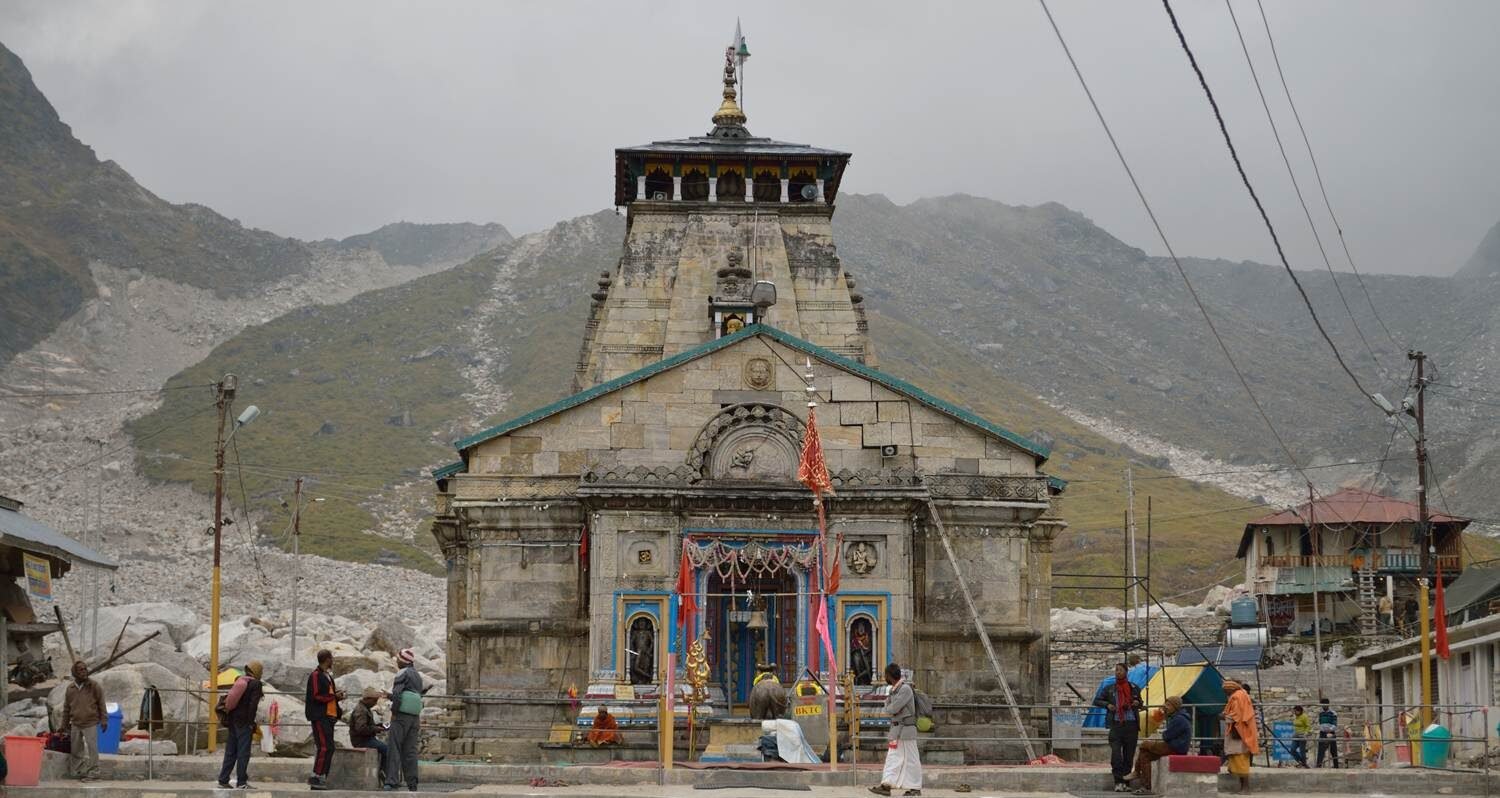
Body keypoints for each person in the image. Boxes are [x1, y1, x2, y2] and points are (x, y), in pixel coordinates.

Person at [870, 662, 921, 797]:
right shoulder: (894, 690)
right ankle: (886, 785)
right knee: (893, 758)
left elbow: (892, 708)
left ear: (890, 676)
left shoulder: (905, 689)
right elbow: (889, 707)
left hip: (906, 731)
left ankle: (915, 787)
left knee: (911, 759)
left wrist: (889, 707)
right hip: (896, 730)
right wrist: (889, 707)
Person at [1093, 662, 1143, 792]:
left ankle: (1126, 782)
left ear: (1126, 672)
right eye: (1116, 670)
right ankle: (1118, 781)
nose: (1118, 672)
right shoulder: (1110, 688)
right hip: (1116, 725)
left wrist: (1137, 703)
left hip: (1131, 725)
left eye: (1120, 670)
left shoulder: (1134, 688)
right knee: (1116, 754)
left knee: (1129, 755)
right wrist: (1107, 705)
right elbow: (1096, 700)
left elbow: (1141, 703)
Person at [1127, 695, 1192, 795]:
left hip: (1176, 747)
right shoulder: (1176, 717)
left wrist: (1165, 733)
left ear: (1175, 706)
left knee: (1144, 744)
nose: (1165, 707)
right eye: (1165, 704)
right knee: (1145, 755)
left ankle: (1137, 772)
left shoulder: (1179, 719)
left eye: (1168, 705)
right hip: (1172, 745)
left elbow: (1166, 736)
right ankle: (1146, 787)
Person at [217, 660, 265, 789]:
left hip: (233, 721)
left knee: (231, 751)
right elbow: (252, 706)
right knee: (243, 753)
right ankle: (242, 782)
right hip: (244, 723)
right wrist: (251, 723)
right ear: (257, 671)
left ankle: (223, 779)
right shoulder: (256, 684)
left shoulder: (241, 681)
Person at [304, 649, 345, 791]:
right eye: (331, 658)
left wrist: (336, 697)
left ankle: (321, 777)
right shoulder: (315, 675)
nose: (332, 661)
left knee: (330, 748)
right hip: (320, 716)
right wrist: (334, 697)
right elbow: (316, 696)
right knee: (324, 747)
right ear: (327, 659)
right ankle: (316, 776)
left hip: (329, 717)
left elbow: (328, 695)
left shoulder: (327, 676)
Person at [386, 647, 425, 792]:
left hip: (401, 715)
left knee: (394, 747)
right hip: (414, 716)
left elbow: (397, 694)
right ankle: (412, 783)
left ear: (402, 661)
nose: (396, 661)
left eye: (397, 659)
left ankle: (391, 781)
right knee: (410, 750)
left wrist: (394, 711)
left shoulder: (402, 673)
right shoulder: (417, 675)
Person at [62, 660, 107, 782]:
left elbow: (101, 704)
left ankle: (94, 772)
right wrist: (63, 725)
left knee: (92, 748)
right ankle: (79, 771)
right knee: (76, 749)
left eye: (85, 669)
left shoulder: (94, 686)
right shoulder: (70, 689)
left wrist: (104, 720)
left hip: (90, 722)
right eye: (80, 670)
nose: (84, 671)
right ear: (74, 673)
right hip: (75, 723)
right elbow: (66, 708)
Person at [1221, 680, 1259, 794]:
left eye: (1225, 690)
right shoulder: (1241, 695)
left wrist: (1223, 717)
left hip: (1239, 733)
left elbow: (1237, 716)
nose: (1224, 692)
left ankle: (1246, 788)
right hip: (1241, 732)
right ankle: (1242, 788)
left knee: (1241, 761)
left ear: (1231, 688)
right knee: (1238, 761)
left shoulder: (1237, 697)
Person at [348, 686, 390, 778]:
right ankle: (383, 772)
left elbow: (368, 726)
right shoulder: (361, 710)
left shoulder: (365, 708)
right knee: (386, 750)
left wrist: (379, 726)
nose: (375, 703)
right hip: (362, 741)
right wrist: (376, 729)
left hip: (367, 739)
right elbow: (361, 729)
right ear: (367, 699)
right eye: (374, 700)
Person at [1315, 698, 1339, 768]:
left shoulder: (1333, 713)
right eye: (1322, 705)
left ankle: (1336, 766)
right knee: (1320, 750)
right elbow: (1320, 723)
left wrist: (1330, 730)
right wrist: (1322, 729)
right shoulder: (1320, 713)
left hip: (1331, 733)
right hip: (1322, 733)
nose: (1323, 706)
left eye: (1324, 705)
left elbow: (1335, 724)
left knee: (1333, 750)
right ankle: (1318, 765)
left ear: (1328, 704)